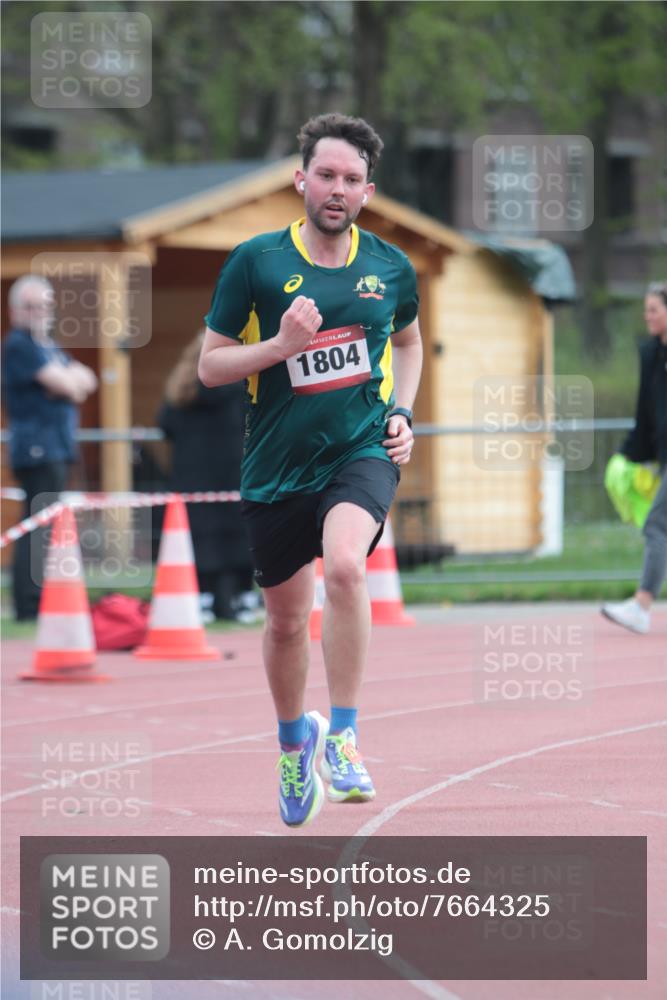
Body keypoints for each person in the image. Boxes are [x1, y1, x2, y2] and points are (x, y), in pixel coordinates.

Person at [199, 112, 422, 827]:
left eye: (351, 180)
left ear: (367, 192)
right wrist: (277, 346)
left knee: (348, 568)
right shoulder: (256, 262)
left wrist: (401, 414)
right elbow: (208, 366)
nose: (337, 188)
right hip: (275, 468)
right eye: (325, 174)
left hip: (359, 454)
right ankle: (295, 744)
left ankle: (346, 737)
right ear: (301, 180)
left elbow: (410, 343)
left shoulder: (389, 267)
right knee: (287, 623)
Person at [1, 275, 97, 620]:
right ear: (15, 310)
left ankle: (40, 598)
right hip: (36, 448)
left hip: (57, 446)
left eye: (44, 305)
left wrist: (69, 381)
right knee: (36, 523)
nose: (38, 312)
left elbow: (87, 379)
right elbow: (68, 385)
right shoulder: (20, 346)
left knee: (46, 524)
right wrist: (68, 381)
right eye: (30, 306)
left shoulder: (48, 345)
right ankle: (29, 604)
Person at [157, 331, 255, 620]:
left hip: (191, 479)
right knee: (238, 539)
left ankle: (201, 600)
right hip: (233, 476)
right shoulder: (239, 386)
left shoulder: (180, 390)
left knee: (197, 540)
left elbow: (165, 426)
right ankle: (240, 599)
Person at [602, 281, 667, 634]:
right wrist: (628, 455)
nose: (648, 316)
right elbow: (646, 413)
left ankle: (641, 607)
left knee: (657, 525)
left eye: (654, 309)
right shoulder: (651, 355)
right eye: (646, 310)